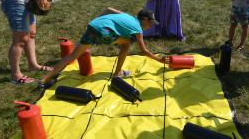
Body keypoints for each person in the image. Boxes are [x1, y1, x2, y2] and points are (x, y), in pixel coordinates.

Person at [40, 8, 169, 85]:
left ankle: (45, 79)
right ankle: (118, 73)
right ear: (144, 19)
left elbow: (108, 9)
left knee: (72, 55)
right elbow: (144, 51)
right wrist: (160, 60)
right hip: (104, 31)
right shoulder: (137, 28)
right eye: (150, 23)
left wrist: (95, 22)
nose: (151, 26)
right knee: (127, 44)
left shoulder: (126, 16)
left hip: (92, 27)